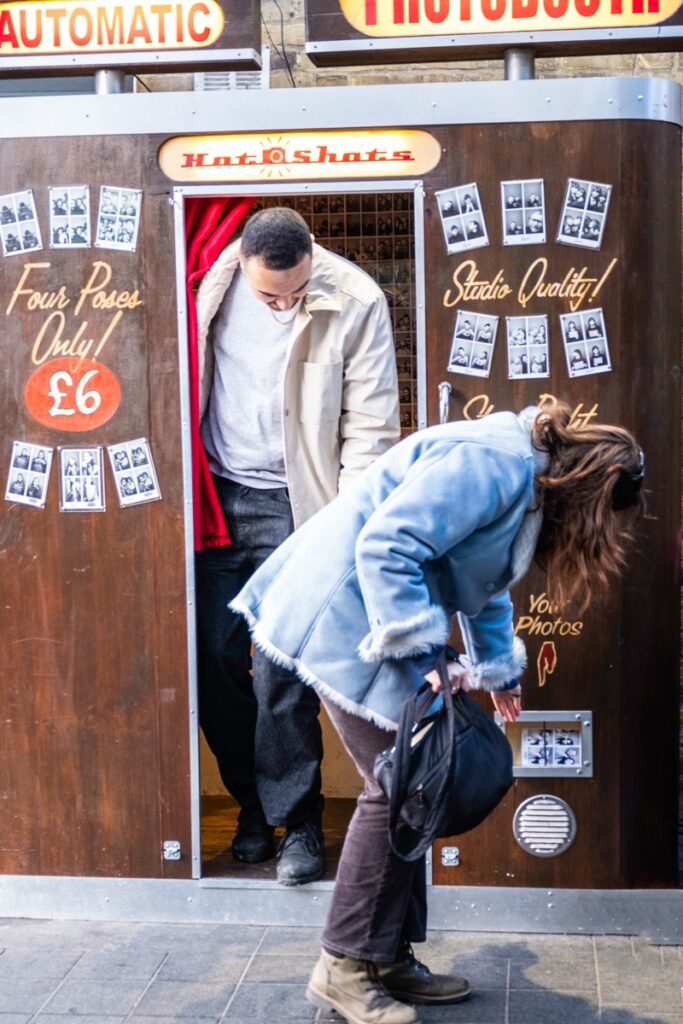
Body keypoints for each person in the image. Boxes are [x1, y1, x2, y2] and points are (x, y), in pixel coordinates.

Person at [231, 400, 644, 1024]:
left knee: (411, 783)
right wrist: (425, 652)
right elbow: (387, 546)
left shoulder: (521, 479)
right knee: (398, 783)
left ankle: (385, 957)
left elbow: (483, 582)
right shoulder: (496, 464)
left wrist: (498, 670)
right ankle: (344, 966)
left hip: (369, 616)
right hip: (344, 612)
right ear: (589, 490)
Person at [194, 206, 399, 886]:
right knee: (214, 662)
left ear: (312, 254)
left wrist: (342, 531)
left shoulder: (356, 296)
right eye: (269, 296)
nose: (283, 306)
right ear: (242, 262)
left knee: (284, 674)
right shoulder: (207, 285)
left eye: (295, 293)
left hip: (300, 506)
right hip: (216, 497)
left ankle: (298, 825)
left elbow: (369, 430)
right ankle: (251, 806)